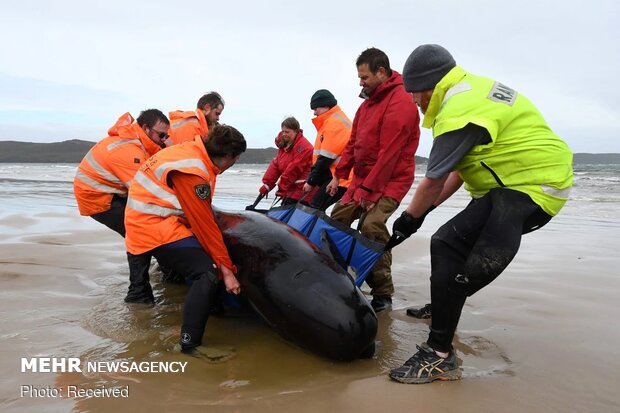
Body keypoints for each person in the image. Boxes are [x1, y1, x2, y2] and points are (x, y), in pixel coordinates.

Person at [387, 44, 573, 384]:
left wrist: (409, 219)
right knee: (447, 242)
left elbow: (434, 178)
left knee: (451, 247)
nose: (415, 101)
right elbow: (458, 170)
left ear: (429, 86)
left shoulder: (458, 110)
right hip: (513, 184)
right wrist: (426, 211)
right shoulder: (471, 91)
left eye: (415, 94)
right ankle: (445, 306)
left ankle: (439, 355)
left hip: (532, 185)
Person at [124, 124, 247, 354]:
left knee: (204, 261)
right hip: (153, 225)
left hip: (149, 219)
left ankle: (209, 308)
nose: (234, 164)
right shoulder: (193, 170)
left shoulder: (193, 152)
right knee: (207, 272)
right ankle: (189, 344)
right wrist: (227, 271)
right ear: (229, 155)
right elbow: (204, 225)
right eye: (236, 159)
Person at [325, 47, 420, 312]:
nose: (360, 82)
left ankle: (382, 294)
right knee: (336, 219)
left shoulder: (401, 101)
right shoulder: (366, 105)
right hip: (363, 180)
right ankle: (336, 276)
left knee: (372, 227)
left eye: (364, 77)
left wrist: (369, 193)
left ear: (381, 72)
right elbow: (354, 144)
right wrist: (340, 176)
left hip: (392, 181)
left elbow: (389, 154)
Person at [73, 109, 169, 237]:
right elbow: (145, 192)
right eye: (162, 135)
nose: (164, 140)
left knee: (146, 227)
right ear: (146, 128)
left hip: (109, 191)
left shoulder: (134, 142)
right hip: (97, 198)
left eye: (166, 136)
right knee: (139, 232)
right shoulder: (130, 151)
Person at [302, 89, 353, 211]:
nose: (314, 113)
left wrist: (310, 182)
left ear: (325, 105)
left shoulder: (333, 124)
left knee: (315, 208)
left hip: (342, 178)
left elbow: (325, 159)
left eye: (315, 109)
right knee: (318, 208)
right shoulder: (335, 120)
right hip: (338, 176)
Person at [259, 116, 314, 205]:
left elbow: (294, 169)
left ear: (296, 131)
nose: (284, 134)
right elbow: (277, 165)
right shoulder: (284, 145)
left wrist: (281, 188)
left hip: (301, 190)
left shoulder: (305, 148)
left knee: (288, 212)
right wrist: (267, 185)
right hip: (290, 188)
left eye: (287, 132)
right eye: (283, 131)